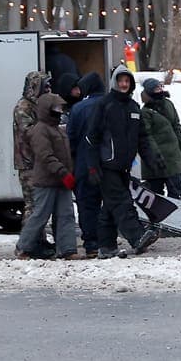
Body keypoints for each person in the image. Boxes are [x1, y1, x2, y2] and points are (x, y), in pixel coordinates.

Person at [90, 67, 161, 255]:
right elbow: (92, 137)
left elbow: (142, 137)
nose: (123, 84)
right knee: (122, 202)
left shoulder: (133, 107)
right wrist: (93, 166)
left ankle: (106, 246)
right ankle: (137, 237)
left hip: (124, 167)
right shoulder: (104, 105)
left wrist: (151, 159)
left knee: (110, 206)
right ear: (115, 82)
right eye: (120, 81)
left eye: (127, 81)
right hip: (106, 165)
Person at [19, 92, 80, 260]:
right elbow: (45, 156)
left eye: (60, 108)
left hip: (61, 180)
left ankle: (68, 250)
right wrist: (63, 172)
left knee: (66, 215)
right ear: (46, 109)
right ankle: (24, 247)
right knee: (40, 215)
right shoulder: (40, 130)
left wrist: (68, 173)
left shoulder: (56, 128)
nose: (59, 111)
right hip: (47, 181)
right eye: (56, 108)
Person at [64, 71, 111, 258]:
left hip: (84, 164)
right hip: (109, 164)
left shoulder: (78, 109)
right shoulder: (112, 104)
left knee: (87, 206)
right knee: (109, 204)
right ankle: (108, 240)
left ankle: (91, 244)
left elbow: (71, 140)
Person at [12, 70, 50, 258]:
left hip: (36, 162)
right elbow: (30, 132)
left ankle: (39, 242)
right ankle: (25, 246)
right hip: (28, 164)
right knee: (32, 206)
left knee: (39, 205)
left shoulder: (36, 106)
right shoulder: (23, 108)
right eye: (45, 86)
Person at [140, 74, 181, 200]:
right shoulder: (145, 112)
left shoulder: (168, 104)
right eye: (156, 88)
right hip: (155, 163)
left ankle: (178, 219)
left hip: (173, 159)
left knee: (177, 194)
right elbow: (146, 136)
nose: (160, 90)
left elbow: (177, 128)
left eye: (161, 87)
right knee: (155, 197)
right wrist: (156, 157)